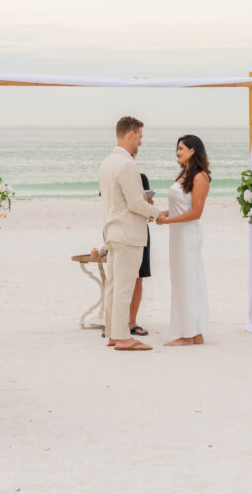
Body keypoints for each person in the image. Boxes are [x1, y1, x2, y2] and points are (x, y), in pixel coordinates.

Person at [98, 116, 160, 351]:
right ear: (131, 134)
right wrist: (158, 214)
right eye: (141, 137)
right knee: (124, 287)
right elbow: (135, 203)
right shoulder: (127, 165)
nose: (141, 142)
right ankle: (123, 337)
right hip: (127, 234)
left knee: (114, 287)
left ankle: (114, 334)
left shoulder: (107, 163)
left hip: (112, 231)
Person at [156, 135, 211, 346]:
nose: (177, 152)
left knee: (188, 281)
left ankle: (188, 335)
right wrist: (160, 213)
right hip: (178, 234)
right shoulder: (185, 174)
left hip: (188, 235)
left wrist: (167, 220)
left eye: (181, 148)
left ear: (193, 150)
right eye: (177, 148)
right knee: (183, 281)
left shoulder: (200, 177)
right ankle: (195, 333)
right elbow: (181, 207)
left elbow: (196, 212)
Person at [127, 171, 153, 337]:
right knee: (118, 278)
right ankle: (112, 322)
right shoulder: (114, 175)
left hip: (141, 230)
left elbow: (147, 207)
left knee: (138, 277)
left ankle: (131, 322)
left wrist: (149, 205)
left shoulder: (141, 178)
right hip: (120, 229)